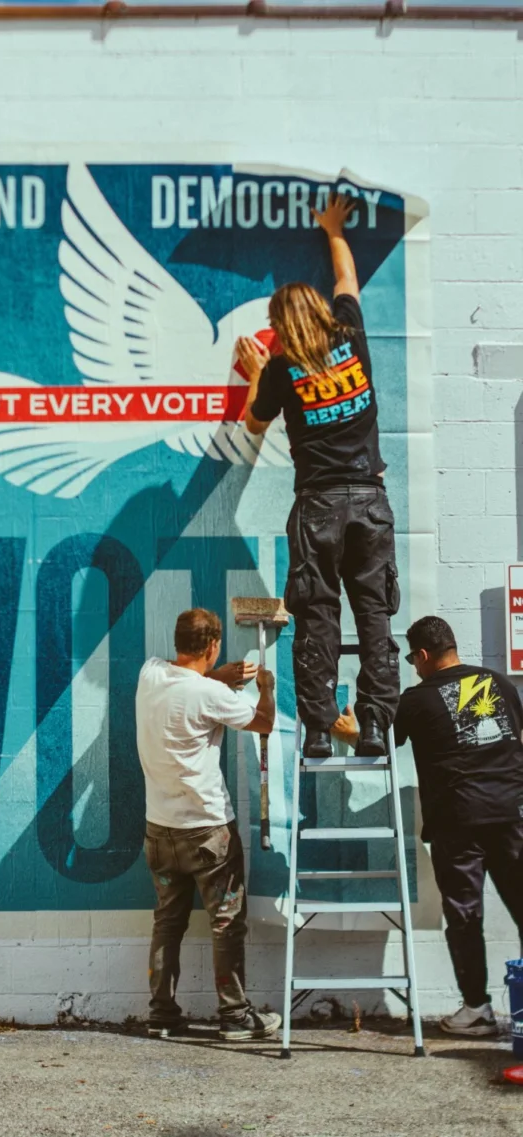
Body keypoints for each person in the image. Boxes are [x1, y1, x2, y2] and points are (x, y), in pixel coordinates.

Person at [236, 192, 399, 762]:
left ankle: (318, 730)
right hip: (371, 500)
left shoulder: (282, 369)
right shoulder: (351, 335)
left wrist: (258, 373)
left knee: (317, 618)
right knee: (374, 617)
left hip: (319, 506)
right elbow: (347, 278)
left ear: (281, 326)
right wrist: (333, 229)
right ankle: (376, 726)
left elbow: (254, 424)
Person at [332, 615, 523, 1037]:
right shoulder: (499, 684)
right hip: (513, 815)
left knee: (465, 916)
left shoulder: (418, 699)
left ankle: (477, 1009)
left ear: (421, 655)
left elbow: (376, 747)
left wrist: (350, 733)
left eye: (414, 661)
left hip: (459, 822)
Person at [135, 607, 282, 1041]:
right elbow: (264, 723)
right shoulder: (210, 696)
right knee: (226, 922)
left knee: (167, 921)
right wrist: (265, 688)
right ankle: (234, 1016)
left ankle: (161, 1013)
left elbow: (187, 684)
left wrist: (216, 675)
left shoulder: (149, 674)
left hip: (159, 830)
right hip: (207, 832)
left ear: (177, 640)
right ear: (213, 645)